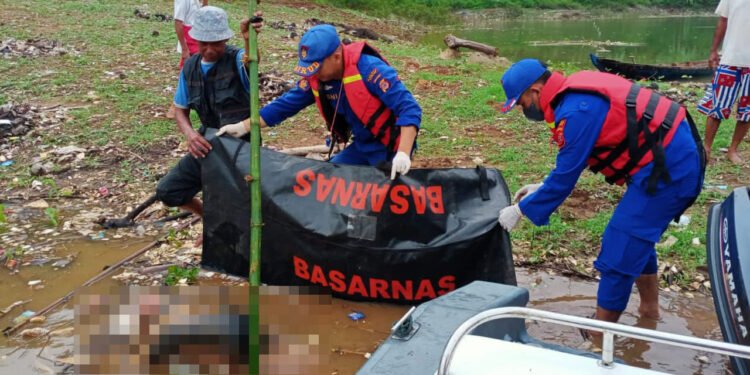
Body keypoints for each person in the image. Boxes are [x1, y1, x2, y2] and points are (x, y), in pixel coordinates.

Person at [496, 59, 705, 330]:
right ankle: (650, 313)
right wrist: (542, 185)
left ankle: (600, 338)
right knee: (637, 239)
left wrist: (521, 210)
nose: (524, 109)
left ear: (535, 90)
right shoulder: (574, 91)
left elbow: (565, 180)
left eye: (521, 102)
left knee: (620, 246)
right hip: (662, 158)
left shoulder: (576, 110)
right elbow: (576, 156)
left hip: (671, 169)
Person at [216, 24, 422, 180]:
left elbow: (409, 109)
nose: (313, 73)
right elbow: (286, 105)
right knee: (327, 180)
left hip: (388, 147)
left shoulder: (370, 70)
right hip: (362, 145)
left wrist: (403, 153)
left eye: (317, 67)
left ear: (337, 56)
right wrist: (243, 126)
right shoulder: (319, 79)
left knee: (380, 197)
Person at [155, 6, 262, 244]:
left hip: (241, 146)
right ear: (195, 39)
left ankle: (240, 239)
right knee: (168, 191)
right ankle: (211, 220)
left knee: (241, 199)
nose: (210, 50)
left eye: (217, 43)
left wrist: (248, 40)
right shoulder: (190, 66)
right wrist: (190, 135)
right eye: (204, 43)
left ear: (225, 39)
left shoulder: (236, 59)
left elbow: (251, 62)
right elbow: (180, 109)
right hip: (206, 143)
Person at [697, 0, 750, 165]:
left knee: (747, 111)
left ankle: (733, 150)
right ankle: (706, 148)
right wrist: (713, 50)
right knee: (717, 107)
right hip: (730, 60)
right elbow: (723, 21)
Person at [167, 0, 207, 119]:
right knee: (187, 69)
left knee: (203, 66)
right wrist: (184, 49)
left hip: (200, 33)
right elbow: (178, 22)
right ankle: (176, 104)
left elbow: (205, 12)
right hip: (189, 36)